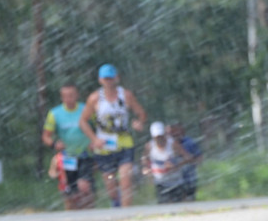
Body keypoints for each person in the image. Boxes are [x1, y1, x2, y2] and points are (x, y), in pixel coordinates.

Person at [79, 64, 147, 208]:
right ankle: (116, 204)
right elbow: (83, 121)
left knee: (126, 181)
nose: (108, 81)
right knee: (111, 188)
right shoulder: (95, 98)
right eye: (106, 79)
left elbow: (141, 112)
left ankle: (125, 216)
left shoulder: (126, 95)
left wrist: (139, 122)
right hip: (105, 146)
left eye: (111, 78)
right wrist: (94, 139)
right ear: (100, 80)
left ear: (117, 78)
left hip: (124, 143)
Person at [42, 84, 95, 210]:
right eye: (65, 96)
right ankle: (72, 220)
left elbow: (99, 126)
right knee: (70, 195)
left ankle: (91, 214)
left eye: (71, 95)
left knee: (85, 187)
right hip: (67, 158)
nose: (68, 99)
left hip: (85, 154)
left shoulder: (86, 109)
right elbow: (45, 136)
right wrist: (54, 144)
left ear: (76, 95)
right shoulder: (55, 114)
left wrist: (95, 140)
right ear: (61, 97)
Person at [141, 122, 190, 204]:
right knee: (163, 207)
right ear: (153, 137)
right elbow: (144, 159)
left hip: (176, 182)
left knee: (178, 206)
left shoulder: (173, 144)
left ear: (164, 134)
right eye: (157, 137)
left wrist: (176, 165)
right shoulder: (149, 146)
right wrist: (146, 168)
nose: (159, 139)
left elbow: (188, 157)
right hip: (160, 183)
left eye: (161, 136)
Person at [169, 123, 204, 201]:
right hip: (175, 180)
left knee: (190, 198)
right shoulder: (168, 145)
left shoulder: (189, 142)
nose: (175, 134)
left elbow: (199, 157)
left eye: (176, 131)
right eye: (172, 132)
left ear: (182, 131)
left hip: (189, 177)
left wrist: (191, 162)